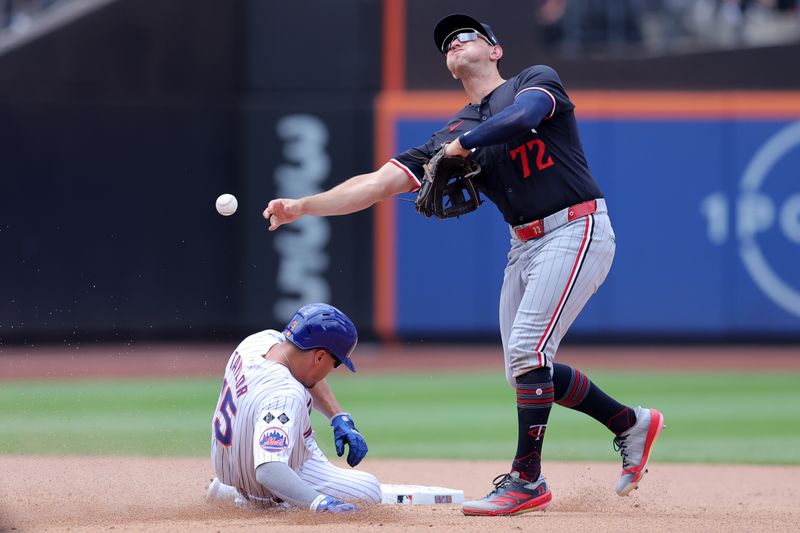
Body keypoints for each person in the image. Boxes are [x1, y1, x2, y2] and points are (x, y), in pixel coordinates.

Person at [264, 13, 664, 517]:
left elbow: (522, 118)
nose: (454, 42)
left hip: (576, 227)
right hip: (524, 244)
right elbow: (374, 184)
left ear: (494, 50)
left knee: (527, 353)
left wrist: (462, 146)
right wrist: (303, 205)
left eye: (466, 35)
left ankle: (526, 480)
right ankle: (629, 423)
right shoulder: (452, 130)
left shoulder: (534, 81)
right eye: (447, 42)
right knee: (524, 368)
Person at [208, 303, 381, 513]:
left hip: (232, 464)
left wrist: (338, 417)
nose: (332, 370)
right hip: (265, 487)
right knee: (369, 489)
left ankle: (233, 488)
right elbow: (269, 471)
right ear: (319, 357)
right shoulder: (286, 394)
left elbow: (305, 371)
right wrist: (321, 504)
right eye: (336, 363)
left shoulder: (257, 342)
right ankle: (271, 501)